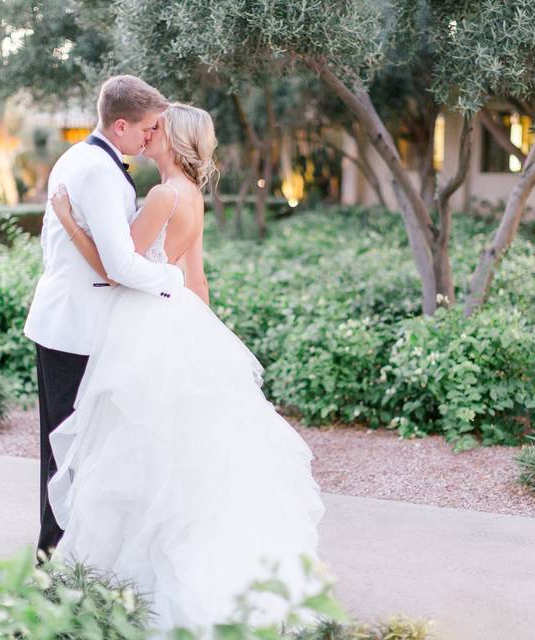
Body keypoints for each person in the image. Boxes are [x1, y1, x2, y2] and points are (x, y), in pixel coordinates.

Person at [45, 102, 325, 631]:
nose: (149, 133)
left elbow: (115, 268)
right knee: (186, 460)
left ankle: (135, 587)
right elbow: (198, 283)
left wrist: (65, 219)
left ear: (174, 141)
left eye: (158, 129)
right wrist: (204, 345)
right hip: (183, 323)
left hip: (146, 326)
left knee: (140, 455)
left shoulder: (163, 194)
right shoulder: (193, 196)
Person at [24, 75, 185, 555]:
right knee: (67, 449)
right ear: (120, 125)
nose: (151, 136)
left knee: (78, 448)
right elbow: (117, 265)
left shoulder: (87, 159)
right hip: (74, 327)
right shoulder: (95, 169)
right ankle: (53, 558)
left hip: (81, 323)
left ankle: (74, 554)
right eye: (147, 128)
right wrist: (172, 283)